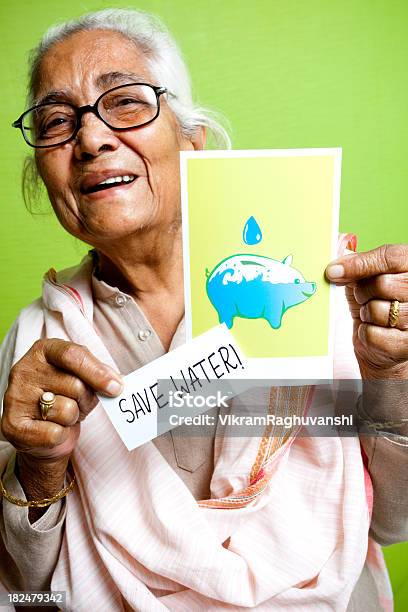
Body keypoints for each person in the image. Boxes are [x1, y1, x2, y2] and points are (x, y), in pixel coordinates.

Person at [0, 8, 407, 611]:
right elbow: (29, 591)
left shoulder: (325, 296)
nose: (90, 139)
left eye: (127, 102)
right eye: (58, 121)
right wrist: (38, 467)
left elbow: (394, 522)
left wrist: (390, 376)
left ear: (193, 143)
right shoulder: (37, 342)